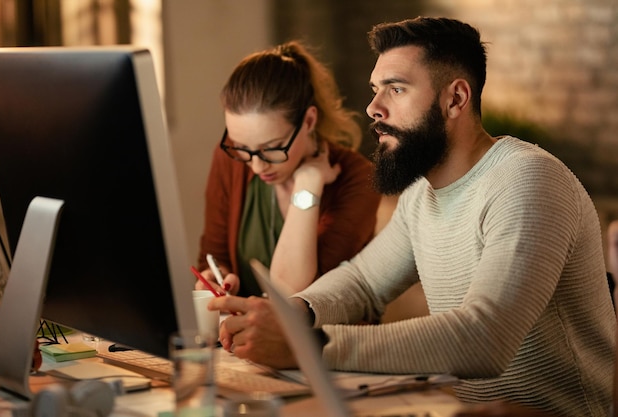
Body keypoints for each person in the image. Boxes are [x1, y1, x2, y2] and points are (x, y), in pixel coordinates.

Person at [209, 16, 615, 417]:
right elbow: (363, 282)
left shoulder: (526, 179)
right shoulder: (421, 193)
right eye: (375, 90)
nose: (373, 108)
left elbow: (484, 336)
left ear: (456, 99)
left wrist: (305, 344)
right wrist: (290, 312)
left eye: (396, 89)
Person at [196, 41, 381, 297]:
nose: (258, 165)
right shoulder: (230, 159)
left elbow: (299, 293)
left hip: (328, 336)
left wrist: (308, 185)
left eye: (272, 147)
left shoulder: (358, 179)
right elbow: (213, 256)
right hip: (243, 334)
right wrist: (214, 278)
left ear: (309, 121)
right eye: (242, 147)